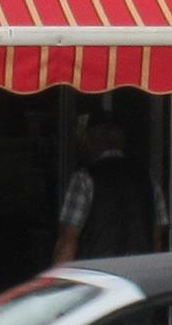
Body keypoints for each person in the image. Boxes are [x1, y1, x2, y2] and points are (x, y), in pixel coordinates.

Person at [51, 108, 158, 265]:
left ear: (93, 140)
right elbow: (157, 236)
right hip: (139, 273)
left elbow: (69, 238)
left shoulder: (84, 178)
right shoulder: (148, 177)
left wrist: (57, 281)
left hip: (98, 274)